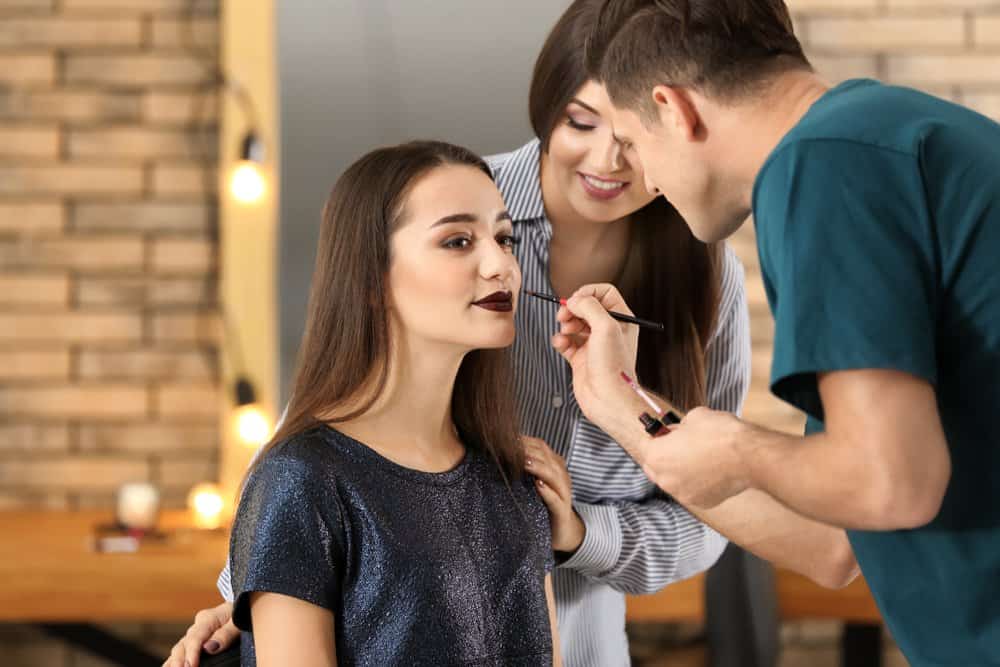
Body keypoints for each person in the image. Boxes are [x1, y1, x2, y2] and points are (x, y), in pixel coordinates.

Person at [166, 3, 858, 666]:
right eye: (582, 122)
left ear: (671, 124)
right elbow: (325, 442)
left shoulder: (704, 278)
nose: (607, 161)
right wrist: (261, 590)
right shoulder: (454, 195)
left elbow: (713, 517)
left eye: (632, 137)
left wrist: (583, 530)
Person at [546, 0, 1000, 664]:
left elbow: (893, 482)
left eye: (634, 143)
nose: (644, 178)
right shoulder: (883, 139)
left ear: (674, 108)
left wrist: (734, 446)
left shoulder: (826, 165)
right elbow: (830, 542)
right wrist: (624, 409)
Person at [223, 140, 560, 666]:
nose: (501, 265)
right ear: (372, 279)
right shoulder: (301, 480)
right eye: (457, 241)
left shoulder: (510, 479)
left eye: (504, 238)